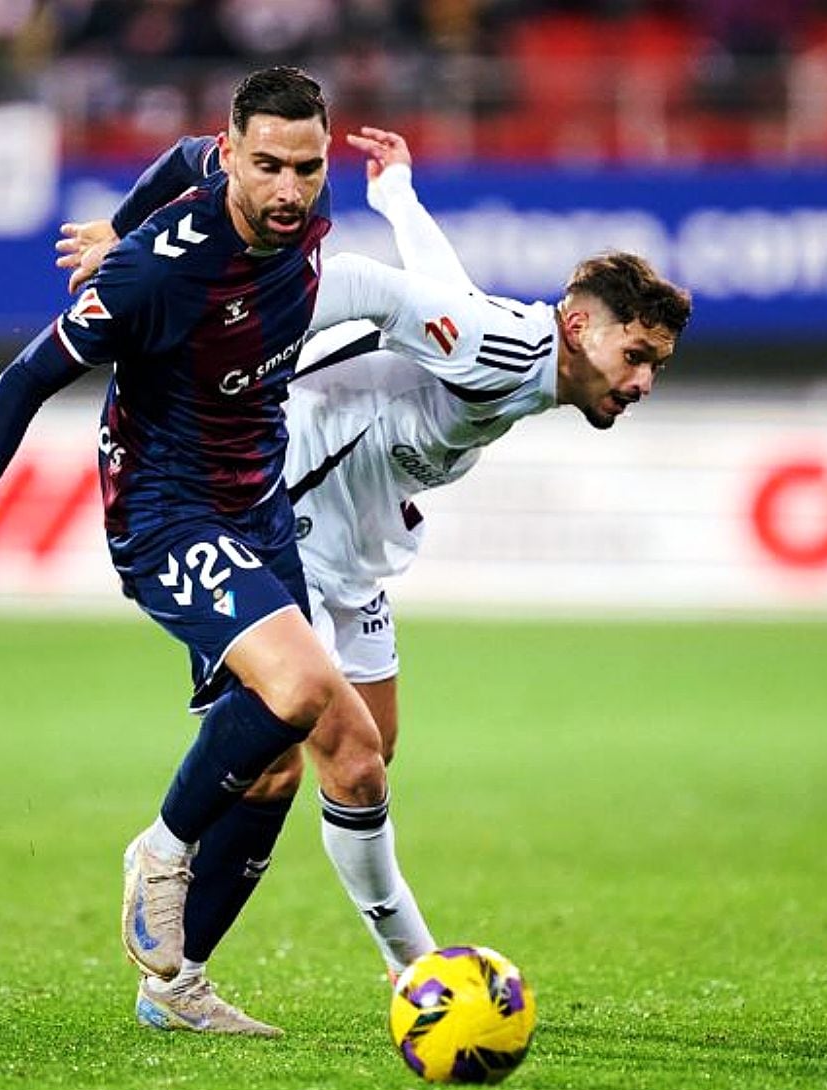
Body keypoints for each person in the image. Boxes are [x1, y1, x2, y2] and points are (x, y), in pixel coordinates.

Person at [58, 128, 693, 982]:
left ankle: (181, 976)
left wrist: (398, 194)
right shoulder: (509, 348)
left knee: (359, 753)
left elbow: (441, 288)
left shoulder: (515, 349)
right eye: (637, 355)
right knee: (335, 758)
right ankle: (415, 972)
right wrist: (233, 310)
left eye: (656, 364)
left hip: (359, 549)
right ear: (579, 327)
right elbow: (374, 289)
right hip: (282, 518)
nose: (644, 380)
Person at [0, 66, 402, 1039]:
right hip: (166, 512)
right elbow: (22, 382)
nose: (287, 188)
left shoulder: (287, 207)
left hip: (256, 503)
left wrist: (115, 222)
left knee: (299, 762)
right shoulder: (162, 272)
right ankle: (161, 850)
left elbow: (180, 158)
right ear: (235, 156)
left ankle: (173, 989)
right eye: (264, 164)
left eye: (304, 168)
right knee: (304, 691)